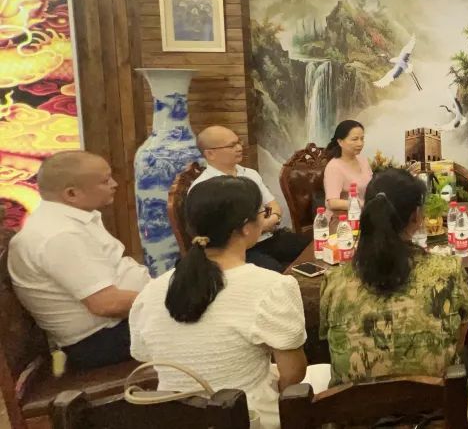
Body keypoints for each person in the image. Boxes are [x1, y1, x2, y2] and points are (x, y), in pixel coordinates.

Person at [129, 176, 309, 429]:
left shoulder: (151, 291)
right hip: (246, 417)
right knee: (322, 374)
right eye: (263, 213)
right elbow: (293, 375)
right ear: (246, 227)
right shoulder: (271, 285)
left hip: (171, 416)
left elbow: (143, 354)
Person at [319, 169, 468, 415]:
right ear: (417, 216)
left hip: (356, 417)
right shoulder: (448, 271)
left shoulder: (335, 282)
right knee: (466, 360)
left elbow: (331, 344)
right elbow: (457, 340)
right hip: (433, 415)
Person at [9, 151, 150, 370]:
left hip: (119, 325)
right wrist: (166, 298)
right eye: (105, 181)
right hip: (101, 341)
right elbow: (107, 304)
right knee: (204, 321)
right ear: (72, 193)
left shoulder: (68, 219)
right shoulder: (59, 235)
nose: (114, 184)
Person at [192, 125, 305, 273]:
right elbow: (219, 231)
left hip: (269, 237)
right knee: (273, 271)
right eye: (232, 145)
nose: (239, 148)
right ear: (210, 154)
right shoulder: (203, 187)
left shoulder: (250, 174)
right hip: (238, 249)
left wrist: (267, 222)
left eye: (239, 142)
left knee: (313, 248)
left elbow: (274, 206)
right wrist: (261, 226)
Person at [323, 119, 374, 212]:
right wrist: (364, 205)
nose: (360, 143)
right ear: (340, 142)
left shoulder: (363, 161)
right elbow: (333, 202)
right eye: (355, 139)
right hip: (342, 216)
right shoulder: (334, 167)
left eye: (362, 139)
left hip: (364, 213)